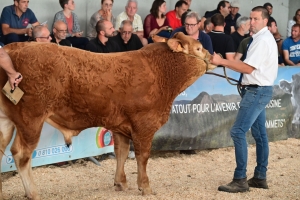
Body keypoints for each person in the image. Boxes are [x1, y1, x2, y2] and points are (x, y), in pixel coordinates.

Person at [211, 6, 278, 193]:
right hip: (259, 90)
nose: (252, 22)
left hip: (256, 92)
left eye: (256, 19)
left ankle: (240, 179)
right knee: (260, 135)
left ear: (265, 21)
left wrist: (221, 61)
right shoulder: (261, 39)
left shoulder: (262, 40)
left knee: (238, 132)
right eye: (251, 18)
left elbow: (248, 68)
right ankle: (259, 177)